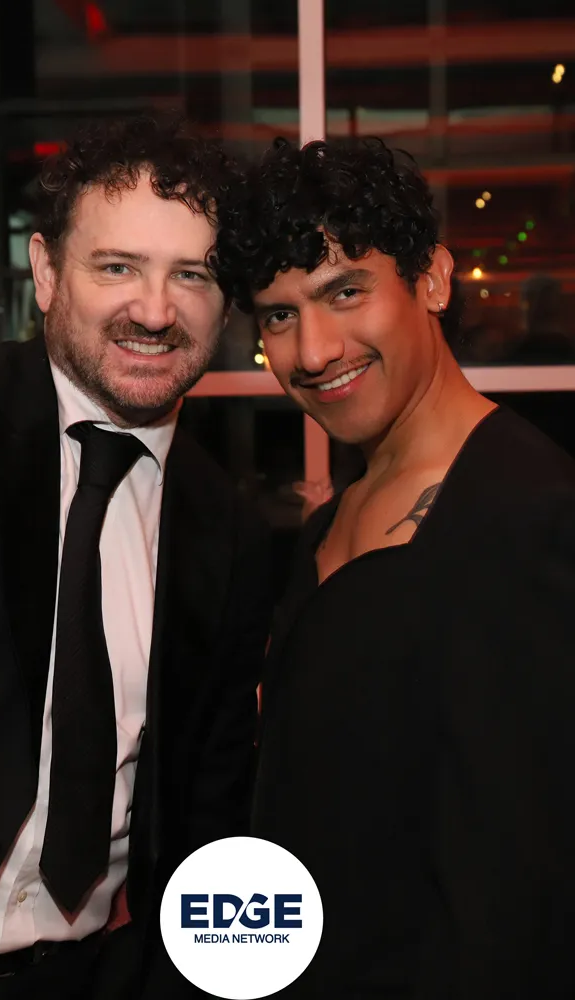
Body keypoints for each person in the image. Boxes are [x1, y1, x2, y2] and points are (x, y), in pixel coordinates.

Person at [0, 116, 271, 1000]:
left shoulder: (228, 530)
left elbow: (206, 808)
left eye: (191, 274)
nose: (154, 310)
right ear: (44, 273)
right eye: (116, 267)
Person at [214, 136, 575, 998]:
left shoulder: (527, 513)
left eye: (345, 292)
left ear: (433, 280)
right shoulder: (331, 519)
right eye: (277, 315)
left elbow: (524, 889)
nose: (312, 351)